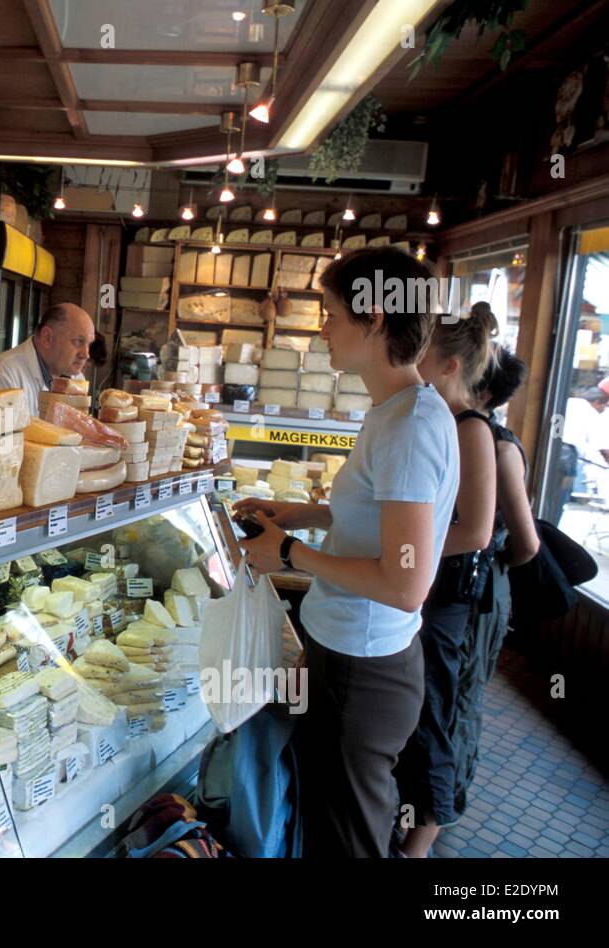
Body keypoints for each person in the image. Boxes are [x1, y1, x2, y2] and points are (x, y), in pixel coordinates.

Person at [235, 247, 460, 858]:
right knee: (334, 824)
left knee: (349, 841)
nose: (323, 328)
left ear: (377, 318)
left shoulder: (410, 427)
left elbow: (404, 581)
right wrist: (304, 516)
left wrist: (289, 554)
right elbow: (383, 519)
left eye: (331, 313)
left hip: (364, 670)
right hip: (354, 655)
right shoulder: (397, 412)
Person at [393, 301, 498, 858]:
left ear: (450, 366)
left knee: (431, 710)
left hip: (446, 594)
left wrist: (407, 549)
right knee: (415, 710)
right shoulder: (434, 418)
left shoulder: (470, 429)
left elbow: (476, 531)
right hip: (426, 584)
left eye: (422, 355)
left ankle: (422, 840)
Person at [451, 342, 540, 818]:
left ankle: (440, 814)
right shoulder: (467, 433)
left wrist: (487, 557)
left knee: (463, 697)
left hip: (483, 590)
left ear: (480, 389)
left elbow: (527, 544)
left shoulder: (497, 446)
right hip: (465, 586)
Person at [0, 303, 96, 417]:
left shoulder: (77, 379)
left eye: (89, 344)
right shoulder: (2, 375)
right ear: (47, 338)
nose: (86, 354)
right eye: (78, 342)